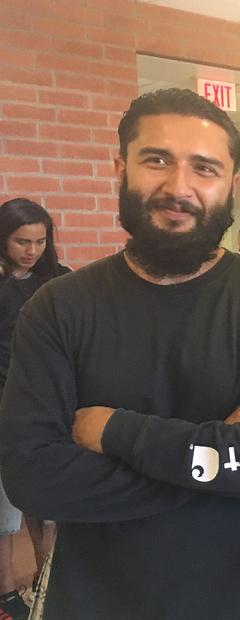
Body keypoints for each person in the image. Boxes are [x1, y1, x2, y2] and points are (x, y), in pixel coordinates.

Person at [0, 88, 240, 619]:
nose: (179, 187)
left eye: (204, 168)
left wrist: (115, 433)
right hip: (99, 605)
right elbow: (33, 478)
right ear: (120, 168)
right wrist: (223, 463)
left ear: (231, 185)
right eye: (157, 160)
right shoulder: (57, 308)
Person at [0, 199, 69, 620]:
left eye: (40, 241)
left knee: (47, 504)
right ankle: (7, 592)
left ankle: (51, 581)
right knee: (6, 505)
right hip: (4, 403)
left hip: (48, 403)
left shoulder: (60, 281)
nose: (32, 250)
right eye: (21, 241)